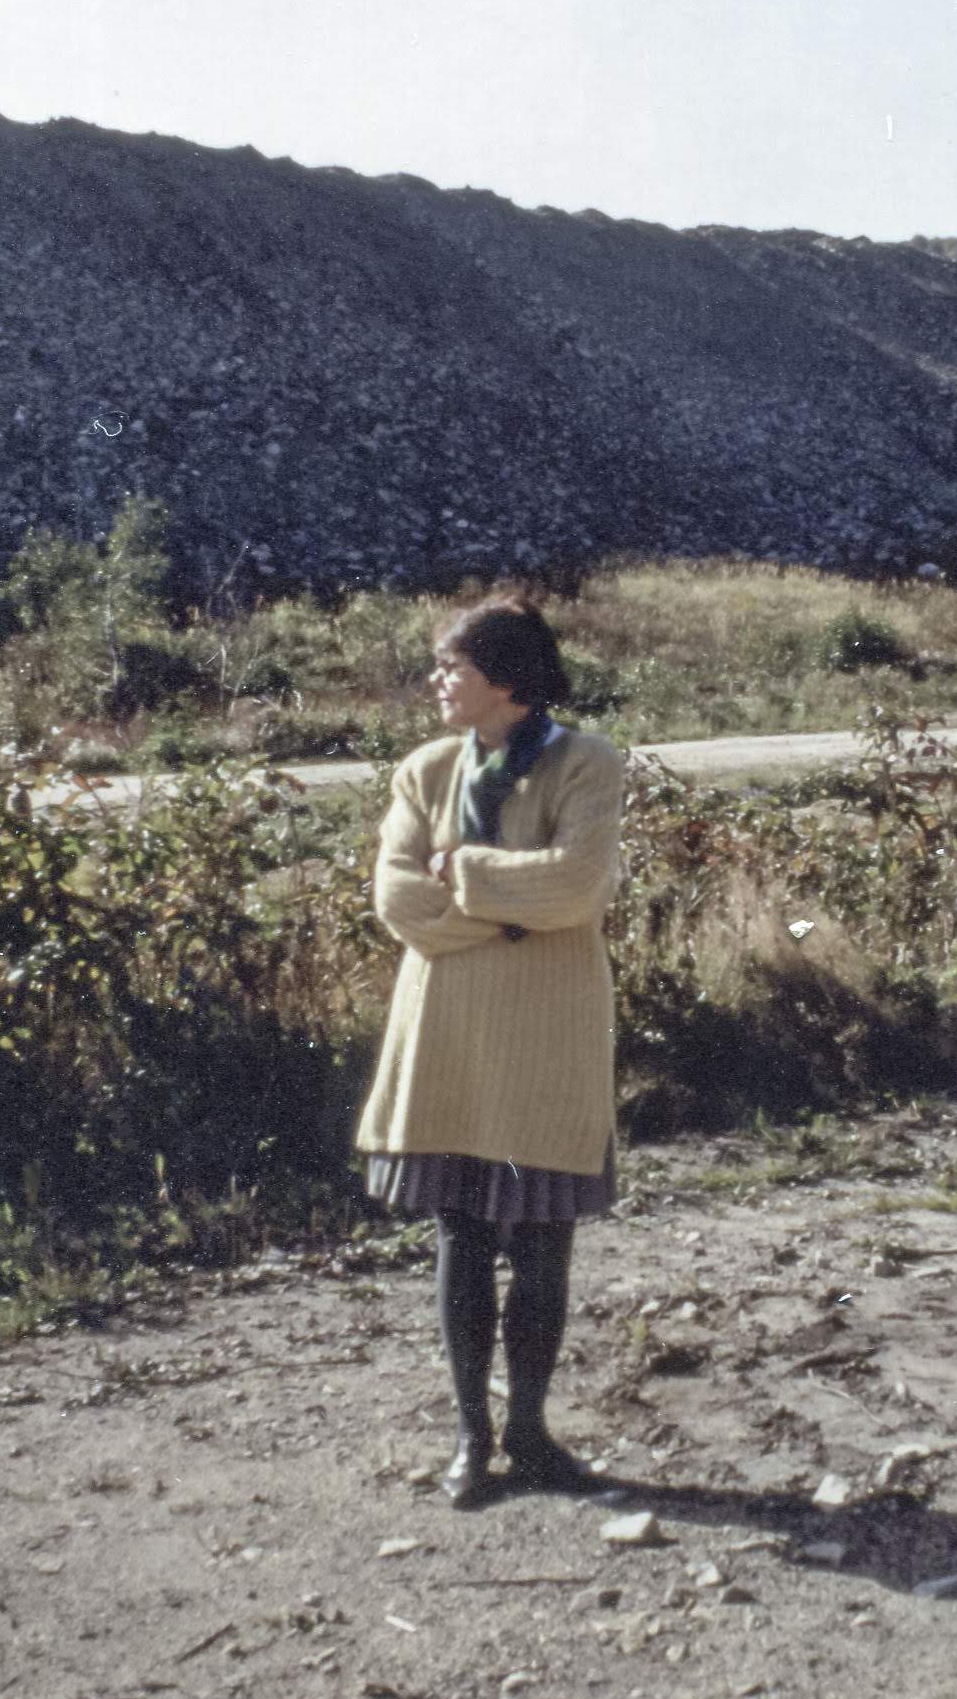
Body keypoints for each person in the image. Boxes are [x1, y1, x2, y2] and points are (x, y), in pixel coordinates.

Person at [358, 598, 627, 1509]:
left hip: (548, 1038)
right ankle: (472, 1437)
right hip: (447, 1038)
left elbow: (576, 884)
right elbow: (394, 897)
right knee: (461, 1237)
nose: (437, 683)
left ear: (505, 681)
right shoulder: (424, 771)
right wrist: (506, 910)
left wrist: (459, 874)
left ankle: (531, 1431)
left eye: (453, 669)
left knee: (544, 1242)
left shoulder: (588, 764)